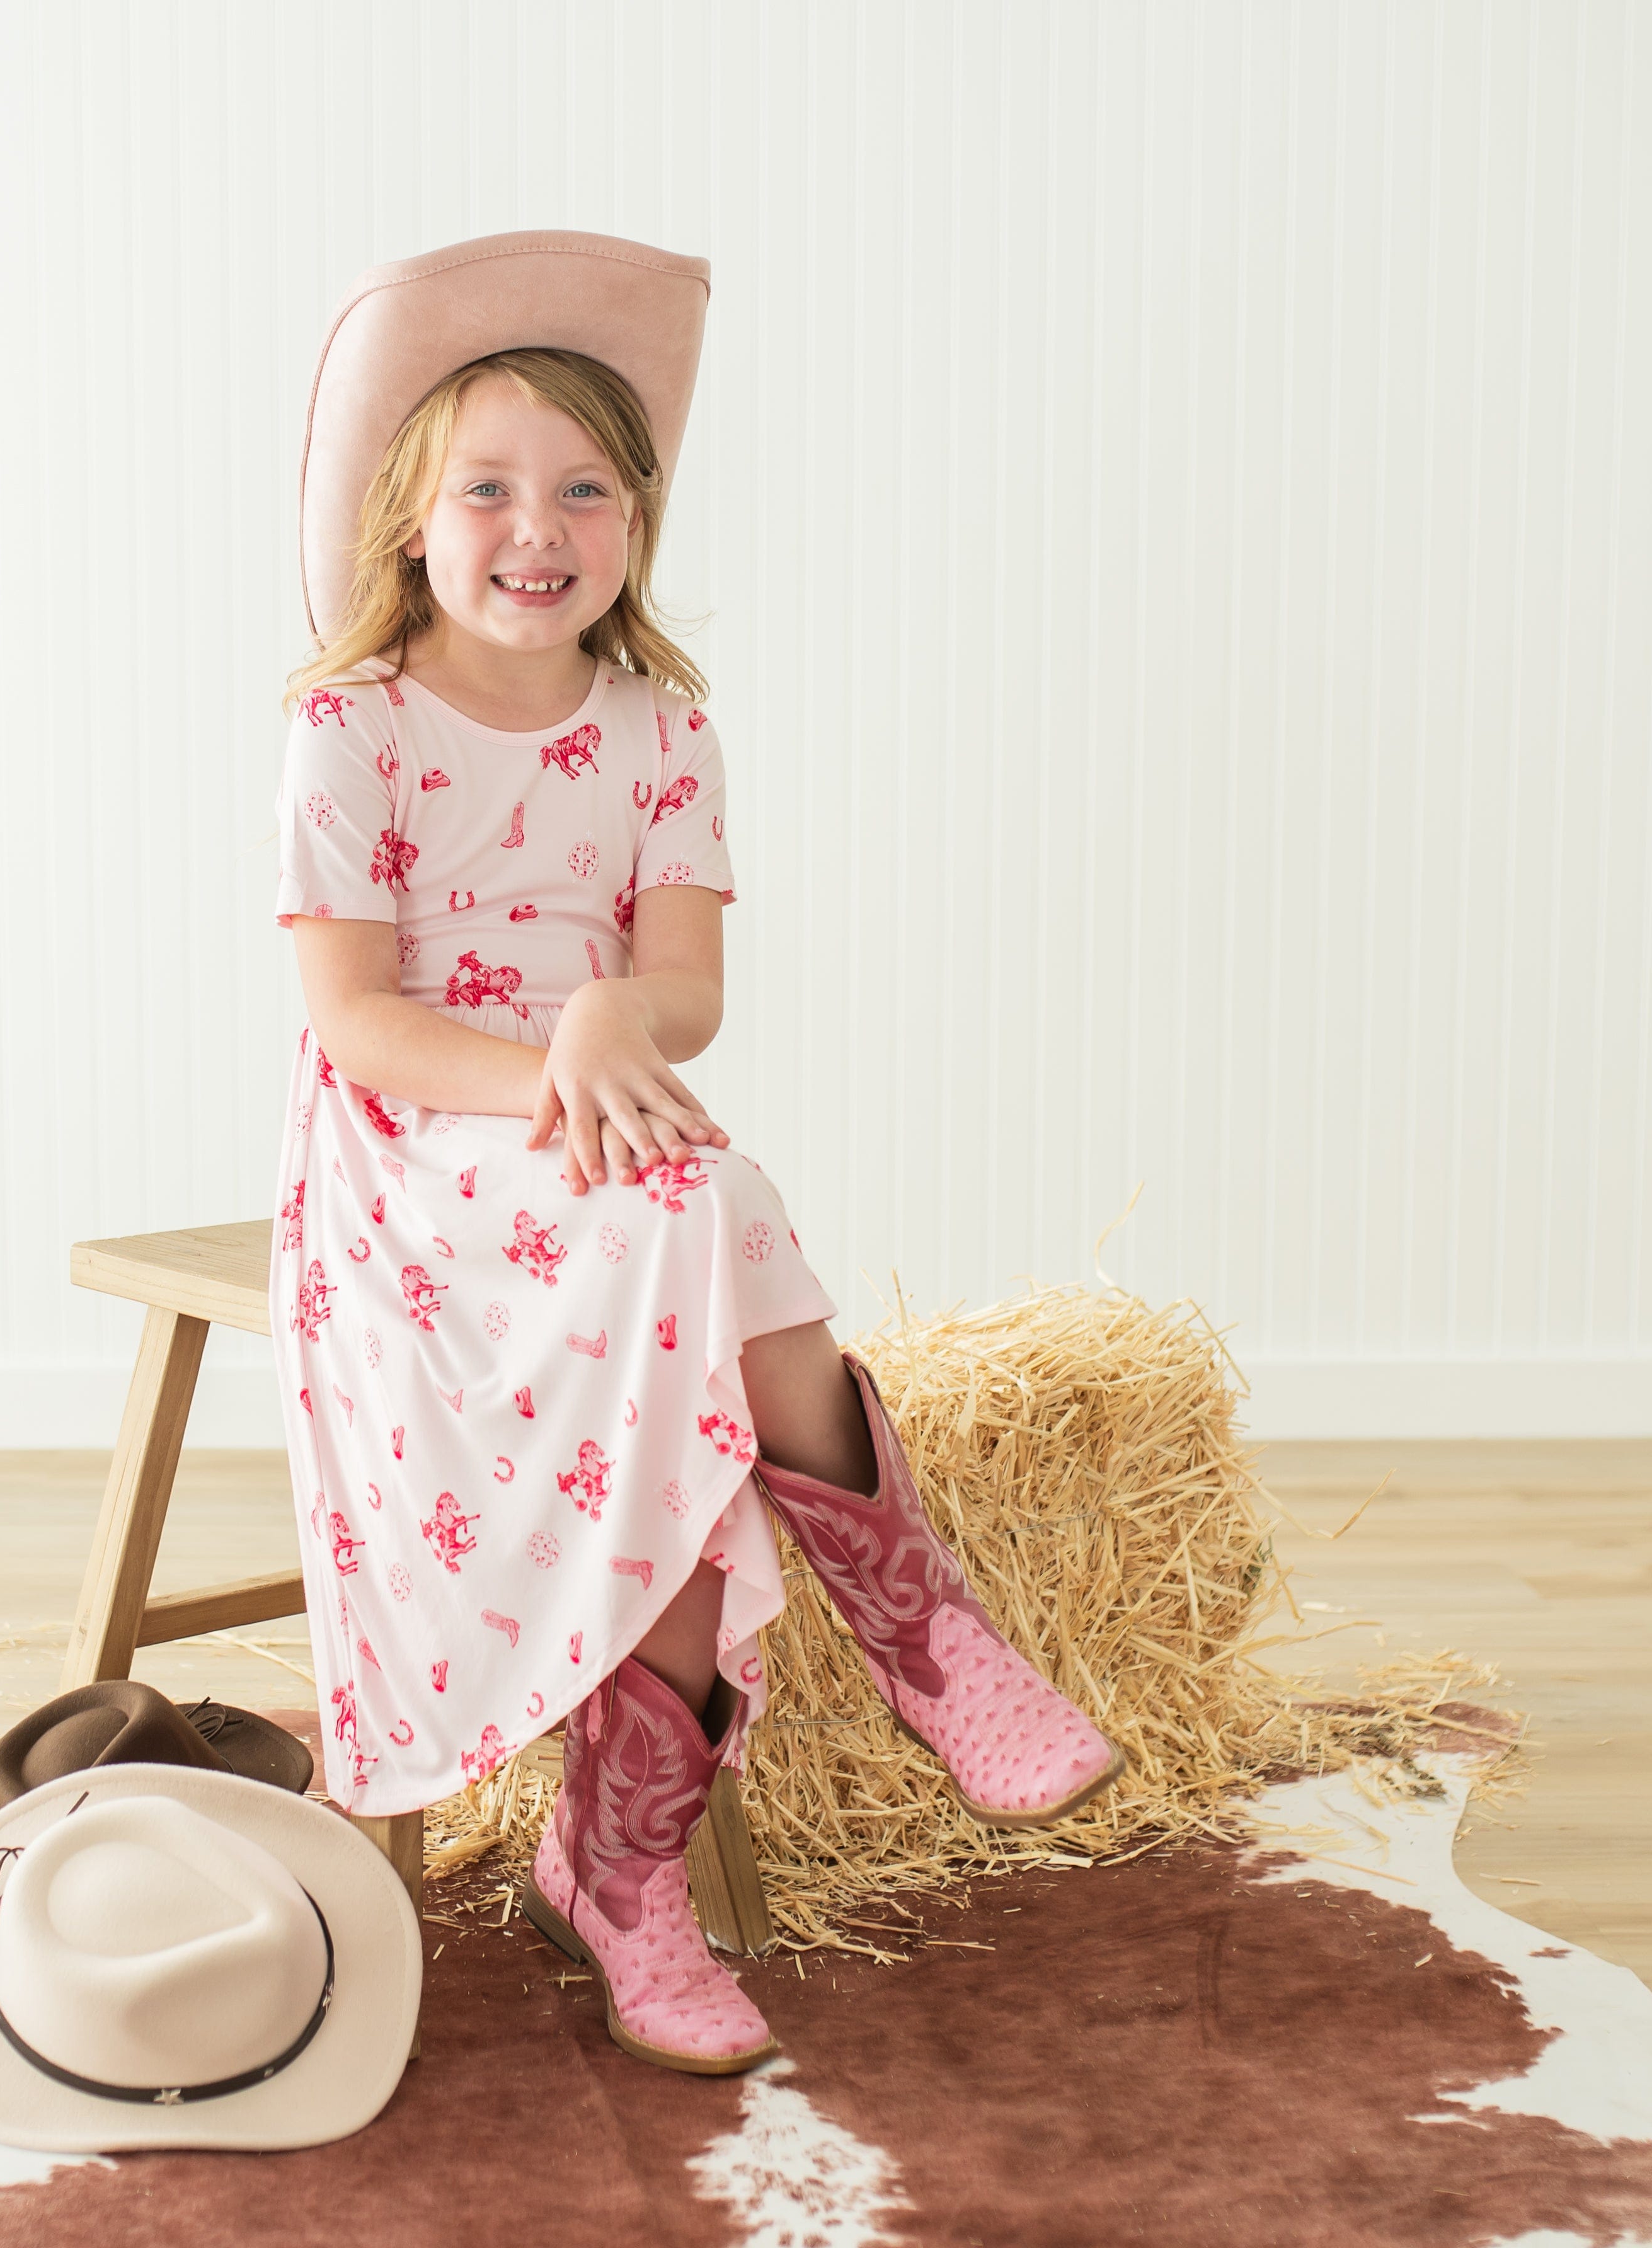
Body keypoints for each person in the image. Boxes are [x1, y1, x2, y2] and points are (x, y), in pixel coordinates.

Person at [268, 232, 1123, 2077]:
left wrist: (608, 1028)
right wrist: (559, 1055)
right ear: (412, 522)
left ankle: (645, 1850)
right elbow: (360, 1025)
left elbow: (684, 989)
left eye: (585, 487)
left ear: (638, 521)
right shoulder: (351, 729)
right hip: (425, 1148)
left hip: (619, 1134)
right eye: (487, 488)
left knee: (688, 1220)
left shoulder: (663, 729)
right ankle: (894, 1657)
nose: (537, 526)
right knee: (698, 1229)